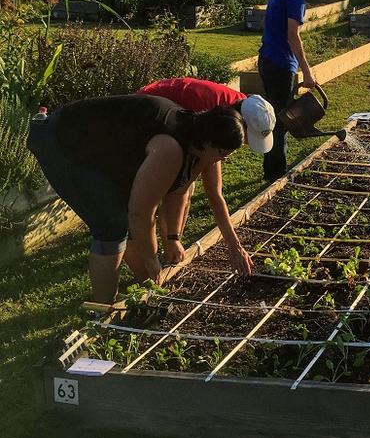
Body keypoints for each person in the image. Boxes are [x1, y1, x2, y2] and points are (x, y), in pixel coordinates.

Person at [27, 94, 247, 304]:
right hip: (61, 141)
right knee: (111, 225)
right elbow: (141, 213)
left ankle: (144, 284)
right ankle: (103, 313)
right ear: (209, 142)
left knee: (122, 215)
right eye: (222, 154)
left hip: (98, 148)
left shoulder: (194, 136)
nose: (223, 160)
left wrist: (171, 238)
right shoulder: (170, 148)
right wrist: (152, 260)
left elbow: (177, 191)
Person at [137, 77, 275, 269]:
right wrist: (235, 248)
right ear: (242, 125)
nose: (245, 144)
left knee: (186, 182)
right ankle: (162, 252)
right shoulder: (215, 123)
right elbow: (203, 192)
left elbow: (212, 189)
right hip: (147, 113)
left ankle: (172, 250)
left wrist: (235, 247)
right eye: (247, 139)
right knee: (172, 184)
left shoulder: (240, 109)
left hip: (169, 105)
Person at [257, 0, 330, 181]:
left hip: (267, 59)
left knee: (276, 114)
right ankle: (277, 174)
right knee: (283, 119)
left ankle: (271, 169)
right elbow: (292, 36)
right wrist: (306, 71)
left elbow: (269, 24)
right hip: (280, 64)